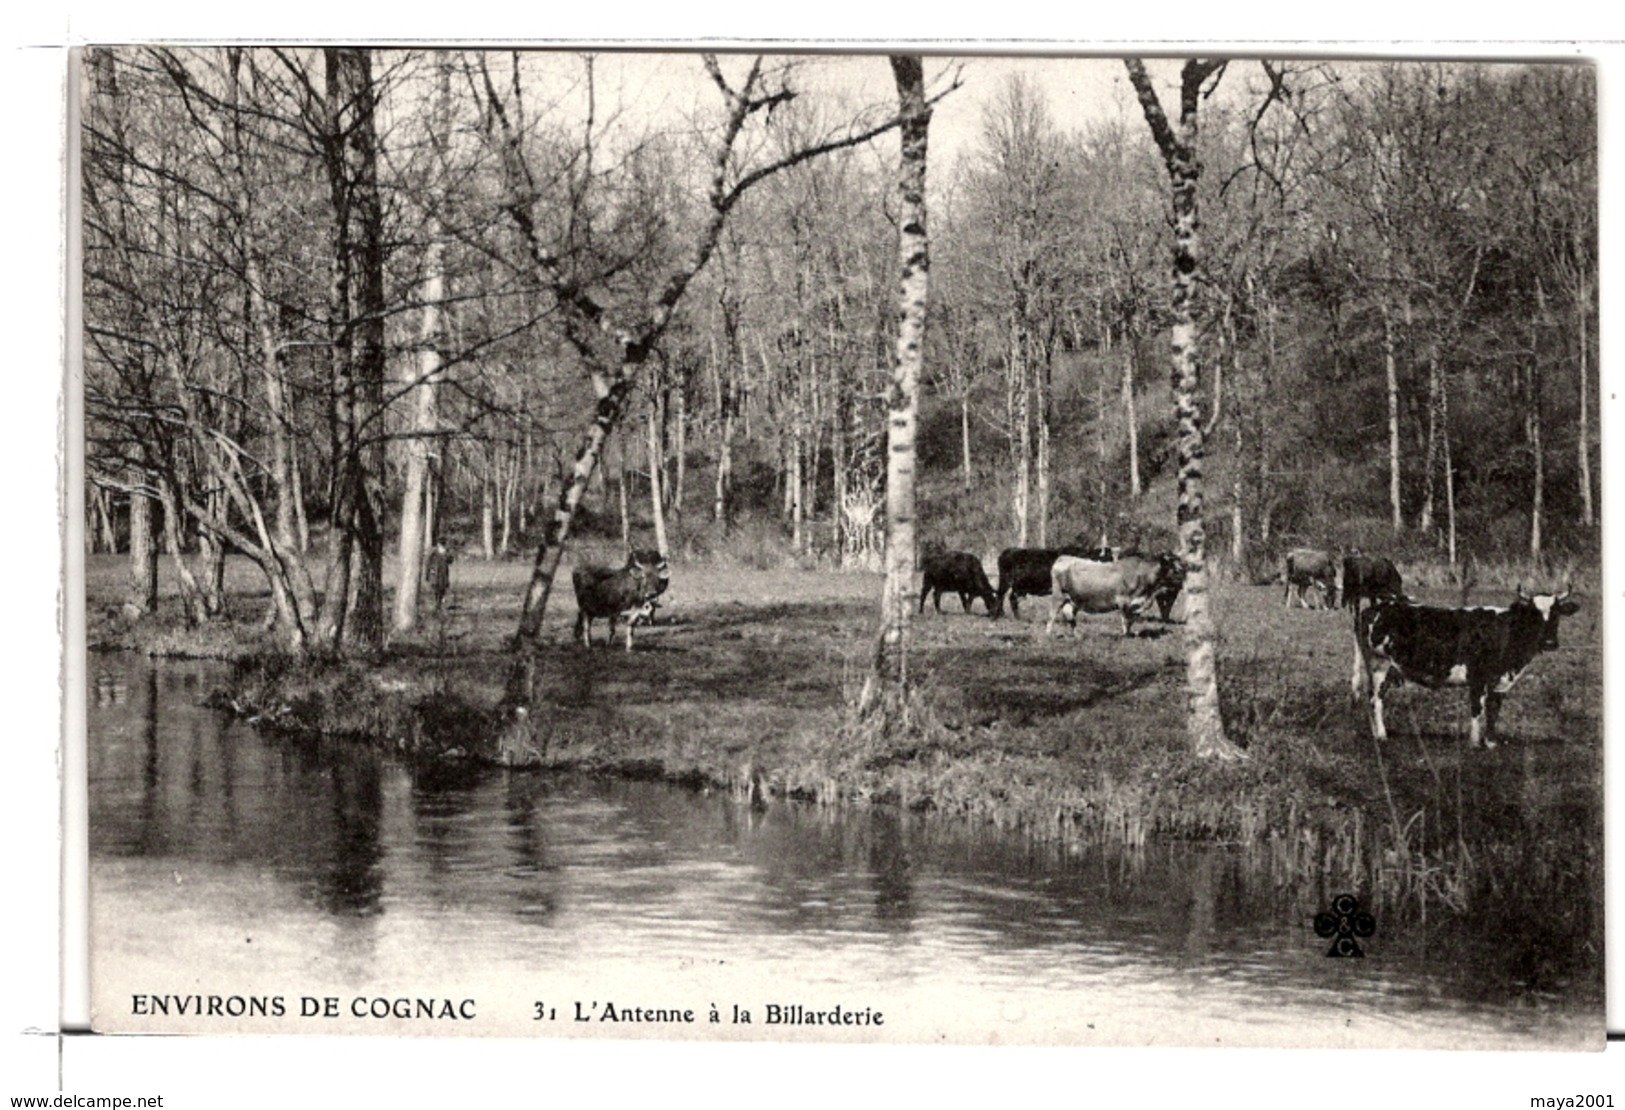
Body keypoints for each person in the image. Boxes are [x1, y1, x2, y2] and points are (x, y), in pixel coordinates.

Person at [426, 541, 452, 613]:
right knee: (436, 589)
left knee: (442, 589)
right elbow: (428, 564)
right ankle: (437, 605)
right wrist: (428, 574)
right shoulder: (434, 554)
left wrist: (446, 553)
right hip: (435, 574)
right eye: (441, 545)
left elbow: (450, 560)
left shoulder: (445, 553)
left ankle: (439, 604)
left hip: (443, 575)